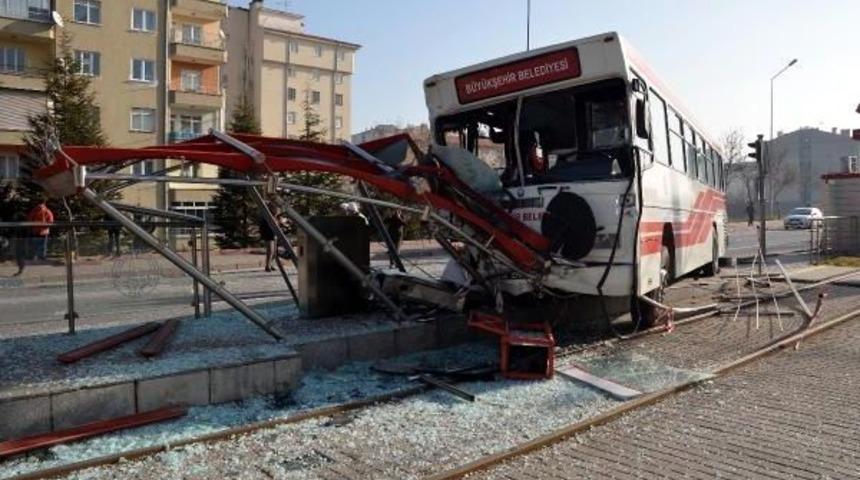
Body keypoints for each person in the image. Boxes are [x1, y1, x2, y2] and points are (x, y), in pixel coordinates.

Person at [258, 207, 279, 272]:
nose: (277, 211)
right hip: (269, 236)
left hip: (274, 236)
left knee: (274, 251)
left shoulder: (275, 218)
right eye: (276, 210)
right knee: (270, 251)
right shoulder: (267, 218)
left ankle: (271, 264)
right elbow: (263, 227)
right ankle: (268, 265)